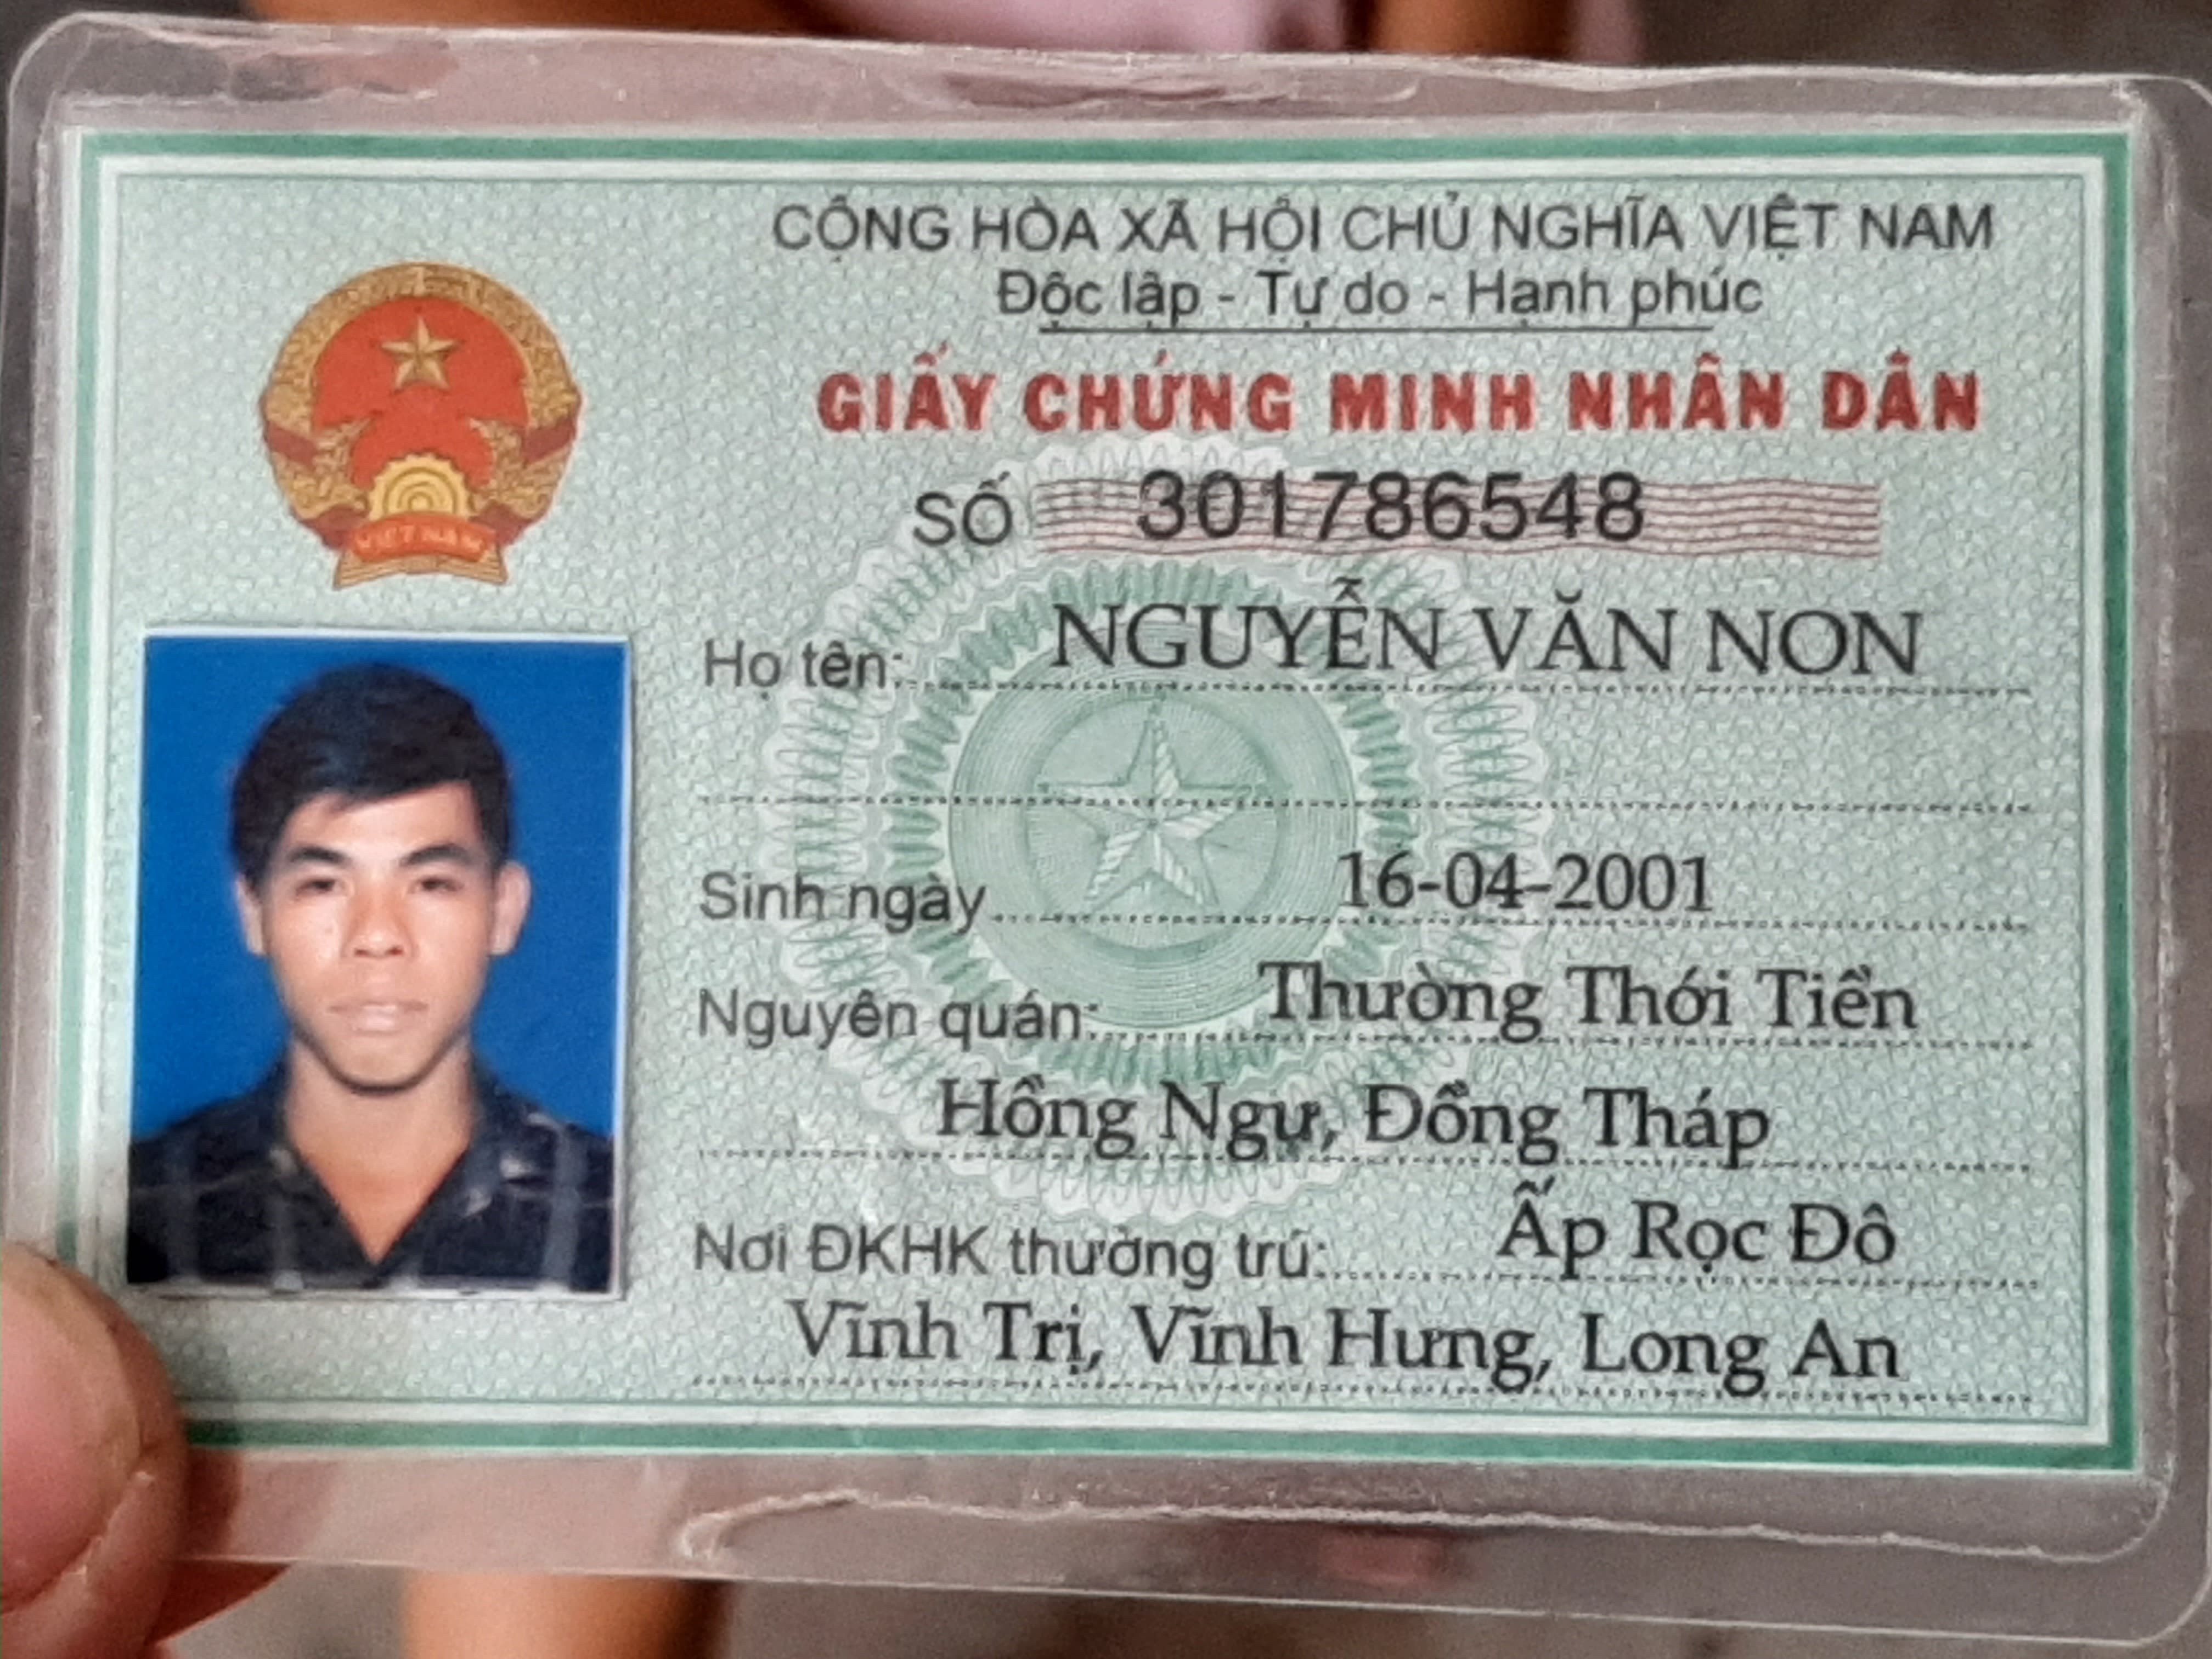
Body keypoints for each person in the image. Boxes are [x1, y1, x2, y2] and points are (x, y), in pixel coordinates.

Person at [126, 662, 613, 1294]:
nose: (378, 936)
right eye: (324, 885)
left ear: (504, 910)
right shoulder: (139, 1210)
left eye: (431, 883)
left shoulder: (613, 1211)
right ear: (253, 913)